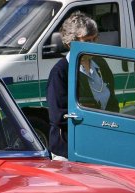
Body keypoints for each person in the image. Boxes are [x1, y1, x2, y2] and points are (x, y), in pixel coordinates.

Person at [46, 12, 119, 159]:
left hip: (99, 146)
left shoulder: (101, 63)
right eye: (87, 40)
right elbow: (58, 116)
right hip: (69, 149)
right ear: (71, 43)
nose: (93, 45)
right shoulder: (60, 71)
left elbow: (112, 102)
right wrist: (96, 124)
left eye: (94, 39)